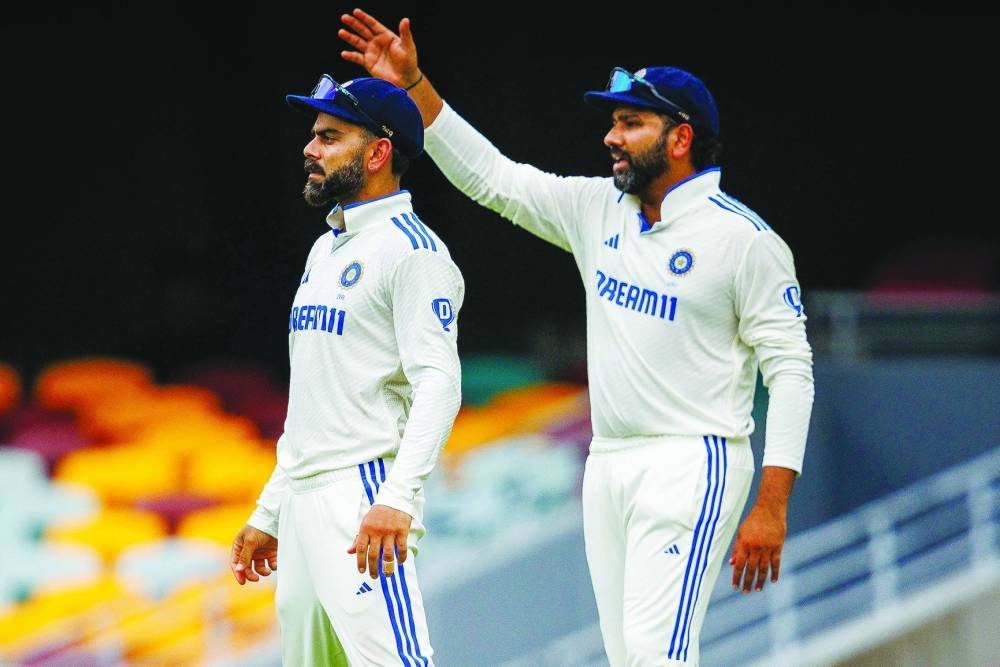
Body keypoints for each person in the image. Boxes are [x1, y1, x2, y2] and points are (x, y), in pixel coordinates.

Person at [337, 9, 815, 667]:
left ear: (680, 139)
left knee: (656, 657)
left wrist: (772, 502)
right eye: (614, 122)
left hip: (692, 461)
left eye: (630, 122)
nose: (611, 137)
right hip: (608, 462)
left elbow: (791, 370)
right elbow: (493, 179)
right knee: (631, 658)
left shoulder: (746, 241)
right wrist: (416, 88)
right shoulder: (598, 210)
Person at [229, 72, 465, 667]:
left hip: (363, 494)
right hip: (306, 499)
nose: (310, 149)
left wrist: (399, 498)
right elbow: (312, 403)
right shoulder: (324, 249)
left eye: (330, 136)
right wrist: (272, 508)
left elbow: (440, 382)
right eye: (314, 136)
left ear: (379, 152)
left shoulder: (414, 252)